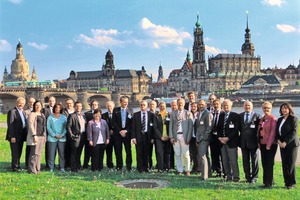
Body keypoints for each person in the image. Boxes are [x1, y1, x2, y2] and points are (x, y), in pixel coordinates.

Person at [276, 103, 299, 189]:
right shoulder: (280, 119)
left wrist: (285, 142)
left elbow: (294, 132)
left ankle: (292, 183)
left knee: (291, 164)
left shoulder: (294, 119)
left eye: (286, 108)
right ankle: (286, 182)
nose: (284, 110)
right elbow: (277, 132)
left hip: (292, 145)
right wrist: (278, 141)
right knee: (284, 163)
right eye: (282, 108)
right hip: (282, 145)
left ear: (289, 109)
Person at [217, 99, 240, 182]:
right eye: (224, 105)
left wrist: (227, 138)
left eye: (227, 105)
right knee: (225, 161)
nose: (225, 107)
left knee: (233, 161)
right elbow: (218, 128)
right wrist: (219, 138)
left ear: (231, 106)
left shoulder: (235, 116)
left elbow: (235, 129)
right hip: (222, 142)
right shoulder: (221, 115)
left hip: (231, 142)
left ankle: (236, 177)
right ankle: (228, 176)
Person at [169, 98, 193, 176]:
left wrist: (189, 137)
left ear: (184, 104)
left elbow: (190, 127)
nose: (180, 105)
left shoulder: (188, 113)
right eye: (178, 104)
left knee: (186, 154)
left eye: (181, 104)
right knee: (177, 154)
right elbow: (171, 125)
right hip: (176, 135)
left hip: (184, 136)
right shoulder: (173, 113)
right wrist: (171, 137)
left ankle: (187, 169)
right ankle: (180, 170)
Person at [239, 101, 260, 184]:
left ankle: (254, 178)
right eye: (246, 105)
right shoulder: (240, 116)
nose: (247, 107)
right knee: (245, 160)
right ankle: (247, 177)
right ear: (243, 106)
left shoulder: (257, 116)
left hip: (254, 142)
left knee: (255, 161)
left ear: (252, 107)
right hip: (243, 142)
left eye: (249, 105)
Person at [258, 101, 277, 188]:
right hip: (262, 144)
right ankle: (268, 181)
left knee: (269, 164)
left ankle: (268, 184)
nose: (266, 109)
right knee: (264, 163)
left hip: (270, 145)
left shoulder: (273, 119)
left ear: (271, 109)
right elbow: (259, 131)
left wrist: (268, 145)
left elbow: (273, 133)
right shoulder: (262, 119)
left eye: (268, 108)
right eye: (265, 108)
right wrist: (259, 143)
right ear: (262, 108)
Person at [131, 100, 154, 173]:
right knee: (139, 152)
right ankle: (140, 168)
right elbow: (133, 127)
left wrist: (152, 138)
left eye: (144, 105)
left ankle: (147, 167)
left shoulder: (151, 115)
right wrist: (133, 137)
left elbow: (153, 127)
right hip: (139, 136)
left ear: (147, 106)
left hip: (148, 136)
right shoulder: (136, 115)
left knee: (147, 152)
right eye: (141, 105)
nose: (142, 106)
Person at [6, 97, 27, 172]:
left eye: (22, 103)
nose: (21, 104)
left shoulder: (23, 112)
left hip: (21, 136)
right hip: (14, 136)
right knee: (15, 152)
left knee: (19, 151)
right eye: (20, 103)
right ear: (16, 103)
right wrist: (12, 136)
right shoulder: (12, 111)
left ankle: (18, 165)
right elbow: (10, 125)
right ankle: (15, 167)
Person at [113, 96, 133, 171]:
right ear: (120, 102)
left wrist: (126, 131)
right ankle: (119, 166)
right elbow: (114, 122)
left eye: (127, 102)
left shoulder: (130, 110)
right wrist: (120, 131)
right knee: (118, 151)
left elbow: (132, 123)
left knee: (128, 151)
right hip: (118, 134)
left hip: (127, 134)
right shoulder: (115, 110)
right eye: (124, 102)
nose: (126, 103)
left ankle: (129, 167)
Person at [195, 99, 213, 180]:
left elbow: (209, 127)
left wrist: (205, 137)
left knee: (202, 156)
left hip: (204, 138)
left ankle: (204, 176)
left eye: (202, 104)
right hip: (199, 138)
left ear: (206, 105)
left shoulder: (207, 113)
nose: (200, 106)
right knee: (206, 156)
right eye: (199, 104)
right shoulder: (200, 113)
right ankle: (208, 173)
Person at [26, 100, 46, 174]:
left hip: (41, 136)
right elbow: (30, 125)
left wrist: (44, 136)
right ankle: (32, 169)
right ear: (34, 106)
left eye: (39, 105)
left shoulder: (42, 115)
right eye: (36, 105)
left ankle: (38, 168)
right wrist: (34, 135)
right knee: (34, 153)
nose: (38, 107)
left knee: (39, 153)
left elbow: (44, 126)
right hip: (35, 136)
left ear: (41, 106)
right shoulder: (33, 114)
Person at [46, 103, 67, 172]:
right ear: (54, 108)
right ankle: (51, 167)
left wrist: (62, 135)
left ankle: (62, 167)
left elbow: (66, 127)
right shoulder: (50, 117)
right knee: (51, 154)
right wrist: (54, 135)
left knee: (62, 154)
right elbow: (48, 127)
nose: (57, 109)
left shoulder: (64, 117)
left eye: (59, 107)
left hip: (62, 138)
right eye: (56, 107)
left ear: (61, 109)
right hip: (52, 138)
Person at [66, 101, 86, 172]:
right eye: (77, 106)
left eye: (80, 106)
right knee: (74, 152)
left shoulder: (83, 115)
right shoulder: (71, 115)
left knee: (79, 152)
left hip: (83, 136)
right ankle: (73, 168)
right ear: (74, 107)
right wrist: (71, 136)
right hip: (75, 136)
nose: (78, 107)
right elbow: (68, 127)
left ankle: (78, 166)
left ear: (81, 107)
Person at [153, 101, 171, 172]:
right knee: (159, 152)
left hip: (167, 136)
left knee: (167, 152)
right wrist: (160, 136)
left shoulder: (169, 115)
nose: (162, 107)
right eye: (161, 106)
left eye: (163, 106)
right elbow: (155, 127)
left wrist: (168, 136)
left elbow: (171, 126)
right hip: (159, 137)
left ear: (165, 107)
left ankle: (167, 167)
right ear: (158, 107)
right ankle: (160, 168)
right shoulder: (156, 115)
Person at [83, 100, 99, 169]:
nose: (94, 106)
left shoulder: (100, 114)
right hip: (88, 135)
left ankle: (94, 165)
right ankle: (85, 165)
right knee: (87, 151)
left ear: (98, 106)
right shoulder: (86, 114)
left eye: (96, 105)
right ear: (91, 105)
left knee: (95, 151)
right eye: (93, 105)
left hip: (97, 136)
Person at [210, 99, 223, 177]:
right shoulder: (212, 114)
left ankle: (223, 171)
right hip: (213, 137)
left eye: (217, 104)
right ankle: (217, 170)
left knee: (222, 155)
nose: (216, 105)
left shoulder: (223, 114)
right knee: (214, 155)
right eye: (214, 104)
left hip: (220, 137)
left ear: (220, 104)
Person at [42, 96, 56, 169]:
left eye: (53, 101)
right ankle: (48, 164)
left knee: (54, 149)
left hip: (56, 133)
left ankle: (53, 163)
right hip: (48, 132)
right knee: (48, 149)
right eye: (50, 101)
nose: (51, 102)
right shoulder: (45, 110)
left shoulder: (57, 109)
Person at [102, 100, 116, 169]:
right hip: (107, 137)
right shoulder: (103, 115)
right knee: (108, 151)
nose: (109, 107)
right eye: (107, 106)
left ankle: (119, 165)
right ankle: (109, 165)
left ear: (113, 106)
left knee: (117, 151)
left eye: (110, 106)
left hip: (116, 136)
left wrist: (113, 130)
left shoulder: (117, 114)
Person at [63, 98, 75, 169]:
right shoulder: (63, 111)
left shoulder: (75, 111)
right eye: (67, 103)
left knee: (73, 150)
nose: (69, 105)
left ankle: (72, 164)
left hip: (74, 134)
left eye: (70, 103)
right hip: (65, 133)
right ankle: (66, 164)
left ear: (73, 104)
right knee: (66, 150)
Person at [189, 102, 201, 173]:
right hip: (191, 137)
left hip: (197, 137)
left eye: (195, 107)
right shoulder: (189, 115)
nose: (193, 108)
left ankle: (199, 168)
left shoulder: (199, 115)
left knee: (198, 153)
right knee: (192, 153)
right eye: (192, 106)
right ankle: (194, 167)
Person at [24, 97, 35, 169]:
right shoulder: (26, 112)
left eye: (33, 102)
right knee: (28, 149)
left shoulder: (39, 111)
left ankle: (34, 164)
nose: (32, 104)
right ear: (28, 103)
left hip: (36, 133)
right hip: (28, 133)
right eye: (30, 102)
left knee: (35, 150)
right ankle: (27, 164)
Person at [148, 100, 158, 170]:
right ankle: (149, 165)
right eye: (151, 104)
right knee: (149, 152)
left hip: (158, 136)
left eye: (153, 105)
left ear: (156, 105)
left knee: (158, 152)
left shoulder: (158, 113)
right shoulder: (147, 114)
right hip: (149, 136)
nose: (152, 106)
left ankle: (159, 165)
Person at [169, 100, 177, 169]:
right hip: (171, 136)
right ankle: (171, 165)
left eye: (175, 105)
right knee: (170, 152)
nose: (174, 107)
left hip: (178, 136)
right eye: (172, 105)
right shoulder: (168, 114)